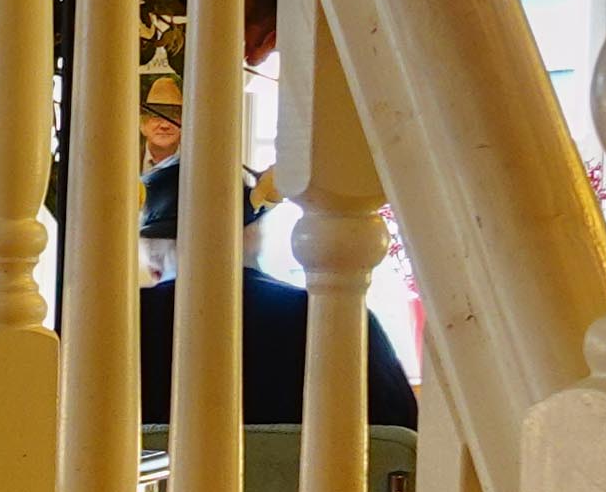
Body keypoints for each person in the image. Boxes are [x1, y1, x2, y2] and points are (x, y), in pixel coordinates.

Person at [135, 152, 417, 428]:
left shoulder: (127, 322)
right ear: (254, 236)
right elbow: (400, 441)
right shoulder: (340, 316)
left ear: (152, 258)